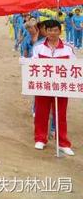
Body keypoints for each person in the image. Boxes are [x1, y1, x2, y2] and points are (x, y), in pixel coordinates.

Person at [32, 19, 76, 155]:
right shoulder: (39, 47)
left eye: (55, 30)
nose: (52, 33)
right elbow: (33, 66)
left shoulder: (68, 49)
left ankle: (63, 143)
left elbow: (74, 68)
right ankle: (40, 138)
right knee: (41, 112)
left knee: (60, 114)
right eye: (49, 30)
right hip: (43, 86)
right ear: (46, 31)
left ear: (60, 31)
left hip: (60, 87)